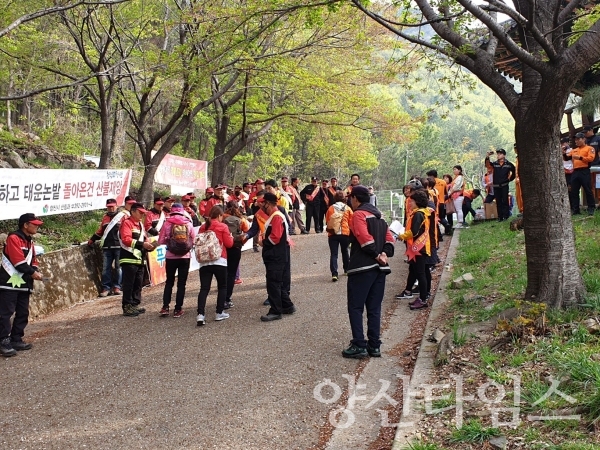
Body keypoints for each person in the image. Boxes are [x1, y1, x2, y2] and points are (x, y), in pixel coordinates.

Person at [342, 185, 395, 359]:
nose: (350, 200)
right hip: (380, 270)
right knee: (374, 308)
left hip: (362, 268)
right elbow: (390, 239)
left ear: (356, 198)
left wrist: (375, 254)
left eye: (351, 198)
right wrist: (384, 254)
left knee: (356, 307)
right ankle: (374, 345)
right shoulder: (379, 216)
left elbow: (364, 239)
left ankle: (359, 344)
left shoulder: (359, 215)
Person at [0, 213, 45, 356]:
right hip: (9, 282)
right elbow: (18, 261)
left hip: (24, 282)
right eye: (34, 224)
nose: (37, 226)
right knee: (6, 313)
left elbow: (33, 261)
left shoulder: (29, 241)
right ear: (26, 225)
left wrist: (35, 269)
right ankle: (3, 341)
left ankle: (16, 338)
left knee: (22, 312)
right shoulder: (13, 238)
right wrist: (33, 273)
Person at [258, 192, 296, 322]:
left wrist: (263, 242)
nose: (261, 205)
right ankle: (287, 305)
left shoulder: (276, 216)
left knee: (273, 282)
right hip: (278, 254)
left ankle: (275, 311)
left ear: (268, 203)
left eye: (263, 203)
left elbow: (275, 237)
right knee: (278, 282)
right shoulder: (276, 215)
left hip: (275, 255)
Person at [196, 205, 234, 325]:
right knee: (222, 286)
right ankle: (219, 312)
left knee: (204, 288)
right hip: (219, 260)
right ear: (219, 215)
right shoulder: (222, 226)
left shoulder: (203, 227)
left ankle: (200, 315)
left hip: (204, 262)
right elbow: (229, 244)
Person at [395, 190, 432, 310]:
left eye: (412, 201)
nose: (410, 203)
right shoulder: (422, 212)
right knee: (419, 271)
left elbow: (414, 232)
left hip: (419, 248)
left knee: (421, 273)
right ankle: (422, 295)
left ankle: (423, 299)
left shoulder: (418, 214)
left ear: (417, 202)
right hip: (421, 247)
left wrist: (402, 236)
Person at [158, 203, 196, 318]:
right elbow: (193, 239)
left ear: (172, 211)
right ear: (182, 211)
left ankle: (165, 307)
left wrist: (170, 241)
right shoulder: (188, 223)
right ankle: (178, 309)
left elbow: (160, 241)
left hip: (171, 256)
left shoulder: (167, 223)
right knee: (182, 284)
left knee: (169, 282)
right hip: (185, 257)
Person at [119, 202, 157, 316]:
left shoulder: (140, 225)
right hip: (129, 258)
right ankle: (127, 306)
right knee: (129, 284)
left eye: (143, 213)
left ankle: (135, 304)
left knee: (138, 283)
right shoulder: (127, 223)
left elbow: (145, 239)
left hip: (140, 258)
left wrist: (149, 245)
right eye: (140, 213)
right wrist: (142, 244)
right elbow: (126, 239)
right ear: (133, 211)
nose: (142, 215)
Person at [88, 198, 124, 297]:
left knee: (118, 268)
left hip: (119, 246)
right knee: (105, 268)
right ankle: (106, 288)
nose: (111, 208)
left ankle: (117, 287)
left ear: (116, 206)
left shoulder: (122, 217)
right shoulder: (105, 218)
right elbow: (101, 231)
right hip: (107, 246)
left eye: (112, 206)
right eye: (109, 207)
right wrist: (92, 239)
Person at [223, 201, 249, 309]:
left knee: (224, 272)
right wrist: (241, 243)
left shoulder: (222, 218)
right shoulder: (241, 219)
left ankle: (221, 297)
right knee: (232, 274)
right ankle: (227, 298)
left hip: (223, 248)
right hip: (235, 247)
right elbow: (247, 232)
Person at [326, 191, 353, 281]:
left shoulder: (331, 208)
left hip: (333, 233)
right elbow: (351, 221)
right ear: (344, 198)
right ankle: (346, 270)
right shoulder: (348, 208)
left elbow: (327, 220)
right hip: (345, 233)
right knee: (345, 251)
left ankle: (334, 273)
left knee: (334, 254)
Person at [569, 132, 596, 215]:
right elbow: (567, 157)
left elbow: (591, 159)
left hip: (584, 171)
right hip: (575, 171)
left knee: (588, 190)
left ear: (584, 139)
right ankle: (575, 209)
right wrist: (563, 153)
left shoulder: (589, 148)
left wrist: (580, 158)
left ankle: (591, 208)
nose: (576, 141)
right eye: (575, 140)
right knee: (574, 191)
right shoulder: (574, 150)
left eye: (578, 139)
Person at [485, 149, 516, 221]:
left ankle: (506, 216)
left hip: (504, 185)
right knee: (498, 201)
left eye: (500, 154)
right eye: (498, 154)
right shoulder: (495, 164)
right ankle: (500, 217)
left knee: (505, 200)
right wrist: (487, 157)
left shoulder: (508, 164)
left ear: (504, 155)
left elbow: (514, 172)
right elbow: (487, 165)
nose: (498, 155)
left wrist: (509, 179)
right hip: (496, 186)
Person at [562, 137, 575, 211]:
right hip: (563, 172)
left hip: (570, 171)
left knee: (571, 189)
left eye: (564, 143)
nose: (563, 145)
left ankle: (573, 206)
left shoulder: (571, 151)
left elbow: (568, 158)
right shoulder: (558, 151)